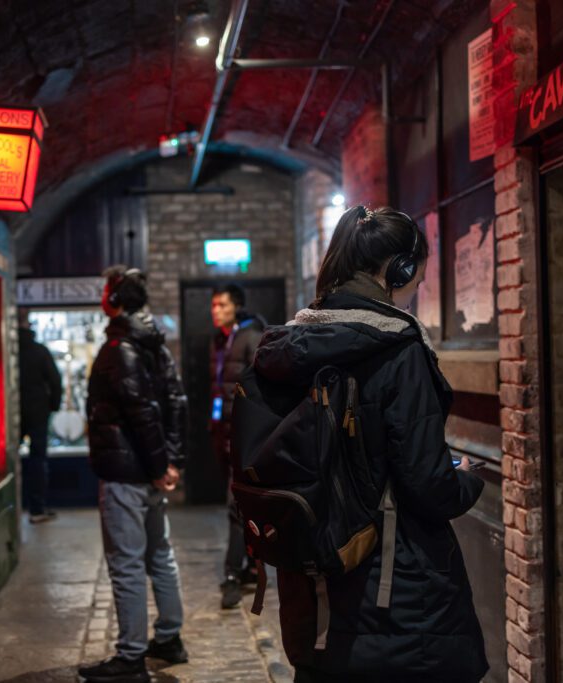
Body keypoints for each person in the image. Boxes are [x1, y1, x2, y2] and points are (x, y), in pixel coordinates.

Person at [250, 206, 488, 682]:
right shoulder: (399, 352)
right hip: (393, 594)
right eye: (416, 277)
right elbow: (426, 482)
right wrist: (465, 481)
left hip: (311, 584)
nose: (415, 290)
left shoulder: (288, 347)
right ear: (398, 268)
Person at [79, 265, 189, 683]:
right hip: (149, 471)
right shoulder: (155, 345)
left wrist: (163, 465)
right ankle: (169, 638)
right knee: (159, 555)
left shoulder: (119, 348)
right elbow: (176, 403)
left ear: (114, 299)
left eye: (106, 291)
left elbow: (143, 414)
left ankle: (130, 657)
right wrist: (170, 463)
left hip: (126, 473)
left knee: (126, 564)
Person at [209, 283, 265, 609]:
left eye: (221, 305)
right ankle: (248, 567)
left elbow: (258, 389)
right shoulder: (220, 340)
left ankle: (232, 573)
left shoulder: (250, 337)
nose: (215, 310)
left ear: (237, 307)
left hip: (244, 436)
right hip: (223, 434)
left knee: (235, 506)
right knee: (239, 507)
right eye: (213, 305)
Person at [18, 310, 63, 524]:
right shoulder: (39, 351)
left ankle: (13, 507)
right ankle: (37, 508)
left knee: (7, 460)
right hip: (37, 411)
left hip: (11, 412)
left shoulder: (7, 349)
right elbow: (55, 381)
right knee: (38, 460)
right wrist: (52, 406)